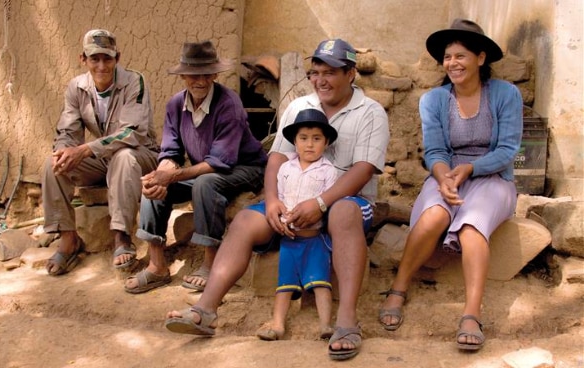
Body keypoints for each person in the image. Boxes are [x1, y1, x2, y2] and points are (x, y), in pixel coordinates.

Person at [165, 38, 390, 361]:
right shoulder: (299, 107)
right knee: (245, 219)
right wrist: (272, 201)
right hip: (292, 202)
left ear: (351, 73)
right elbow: (276, 160)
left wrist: (321, 203)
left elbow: (363, 170)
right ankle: (205, 310)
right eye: (315, 72)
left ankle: (347, 321)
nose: (321, 80)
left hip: (347, 202)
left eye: (331, 72)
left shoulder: (370, 112)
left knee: (342, 213)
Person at [378, 19, 523, 351]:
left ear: (480, 59)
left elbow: (507, 150)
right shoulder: (433, 100)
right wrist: (443, 176)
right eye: (447, 57)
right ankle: (398, 287)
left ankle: (472, 312)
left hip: (492, 177)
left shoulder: (505, 94)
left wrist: (470, 168)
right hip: (448, 174)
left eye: (461, 56)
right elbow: (435, 150)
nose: (453, 63)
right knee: (433, 217)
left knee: (472, 225)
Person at [124, 40, 267, 294]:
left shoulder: (229, 104)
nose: (199, 81)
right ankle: (157, 266)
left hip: (246, 168)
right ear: (183, 76)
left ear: (214, 74)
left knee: (205, 182)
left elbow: (219, 162)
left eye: (205, 74)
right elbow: (170, 151)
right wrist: (163, 173)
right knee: (154, 184)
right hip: (211, 168)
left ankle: (211, 264)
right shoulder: (175, 106)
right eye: (192, 74)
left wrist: (174, 175)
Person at [43, 29, 158, 276]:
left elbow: (133, 133)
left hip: (141, 156)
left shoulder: (134, 81)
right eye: (95, 59)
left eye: (107, 58)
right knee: (52, 163)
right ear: (83, 59)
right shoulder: (76, 87)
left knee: (124, 156)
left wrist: (85, 149)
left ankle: (121, 237)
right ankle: (68, 238)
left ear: (117, 58)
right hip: (104, 158)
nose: (102, 66)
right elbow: (68, 130)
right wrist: (64, 150)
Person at [255, 108, 338, 342]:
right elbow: (278, 197)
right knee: (284, 285)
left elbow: (327, 203)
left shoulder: (328, 171)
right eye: (303, 138)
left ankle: (325, 325)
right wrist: (282, 220)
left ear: (327, 142)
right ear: (294, 141)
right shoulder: (285, 169)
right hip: (290, 240)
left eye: (316, 139)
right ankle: (278, 325)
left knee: (321, 283)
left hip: (315, 239)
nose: (309, 144)